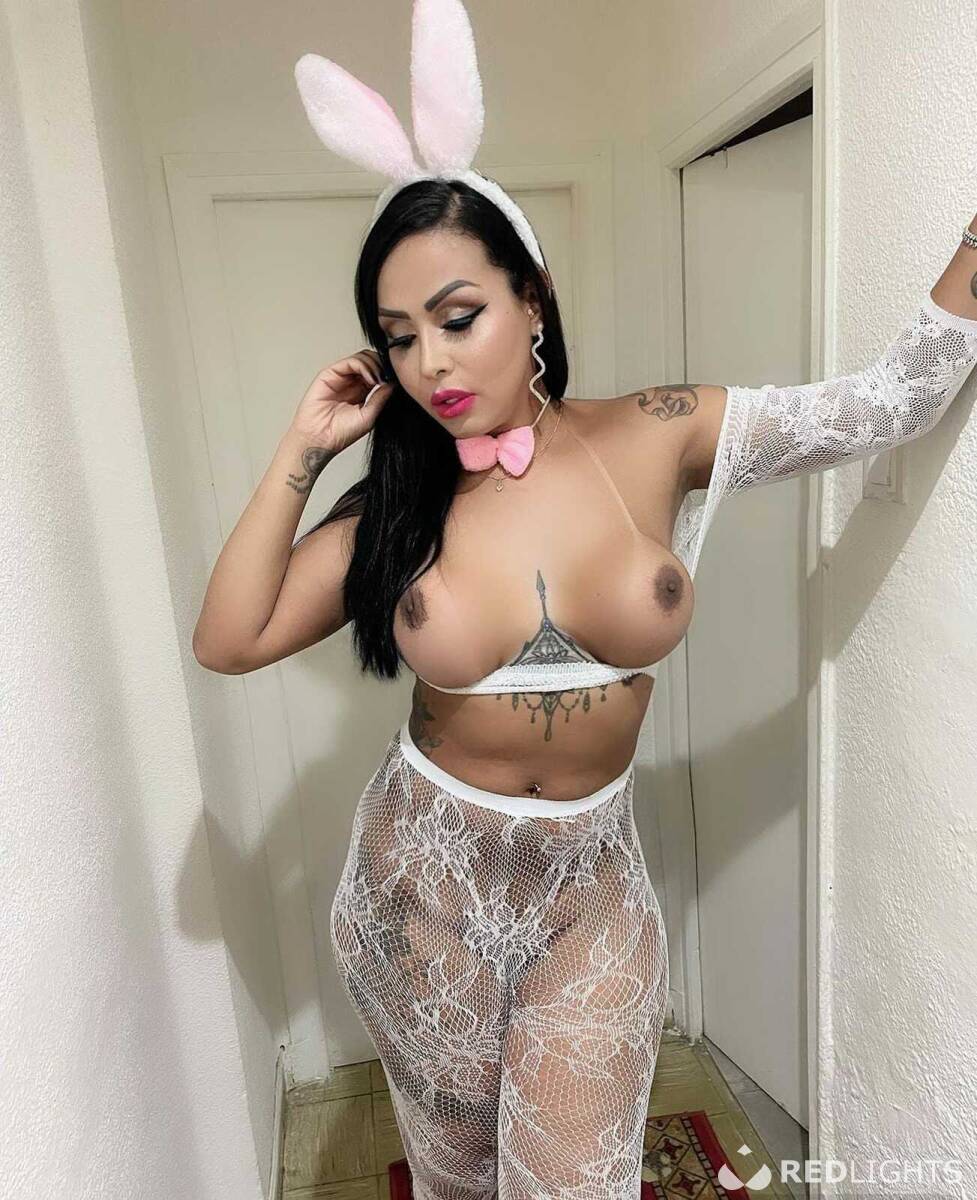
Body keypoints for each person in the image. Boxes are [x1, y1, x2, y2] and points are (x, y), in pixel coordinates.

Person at [192, 2, 977, 1196]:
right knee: (462, 1181)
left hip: (591, 890)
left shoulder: (660, 432)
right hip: (421, 896)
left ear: (533, 299)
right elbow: (230, 638)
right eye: (397, 338)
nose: (430, 363)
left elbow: (885, 405)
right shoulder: (397, 498)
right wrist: (304, 450)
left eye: (458, 317)